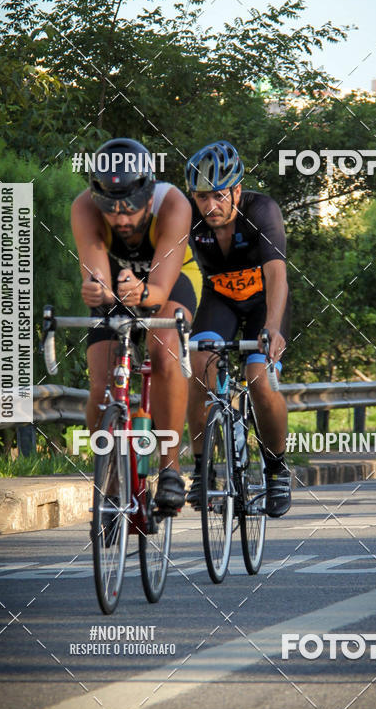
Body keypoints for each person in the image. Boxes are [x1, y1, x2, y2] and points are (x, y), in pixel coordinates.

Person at [71, 138, 202, 511]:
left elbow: (159, 290)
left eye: (130, 209)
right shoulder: (84, 206)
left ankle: (171, 468)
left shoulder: (173, 202)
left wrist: (143, 293)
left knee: (163, 353)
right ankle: (110, 481)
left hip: (171, 280)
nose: (122, 220)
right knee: (101, 383)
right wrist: (98, 291)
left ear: (148, 194)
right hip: (119, 283)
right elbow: (97, 274)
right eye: (111, 211)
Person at [185, 140, 292, 517]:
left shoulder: (262, 210)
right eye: (201, 197)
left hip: (264, 303)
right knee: (199, 367)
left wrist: (273, 328)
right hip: (221, 301)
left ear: (236, 190)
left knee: (260, 378)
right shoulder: (188, 216)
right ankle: (201, 471)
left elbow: (277, 275)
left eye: (217, 195)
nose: (209, 206)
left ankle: (277, 470)